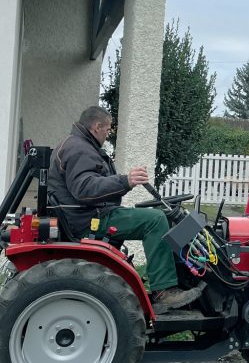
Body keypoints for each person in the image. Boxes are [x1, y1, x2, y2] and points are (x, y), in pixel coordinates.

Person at [47, 105, 202, 313]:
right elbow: (84, 189)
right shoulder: (79, 149)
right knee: (155, 220)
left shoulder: (78, 145)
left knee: (163, 215)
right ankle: (164, 291)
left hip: (88, 214)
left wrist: (123, 183)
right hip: (89, 220)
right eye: (108, 129)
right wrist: (125, 181)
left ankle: (179, 277)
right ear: (97, 126)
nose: (108, 134)